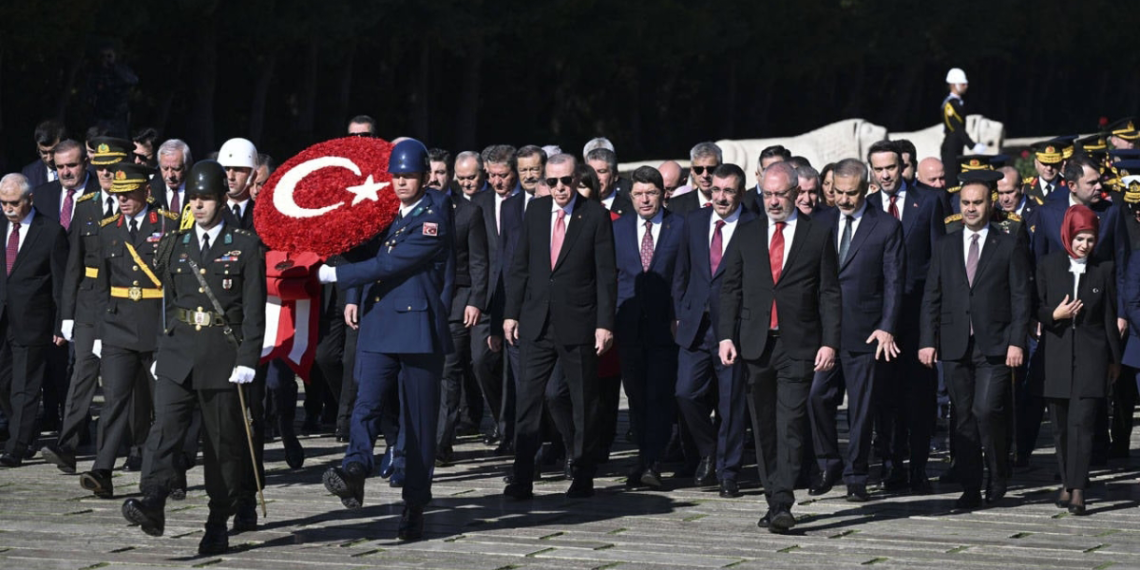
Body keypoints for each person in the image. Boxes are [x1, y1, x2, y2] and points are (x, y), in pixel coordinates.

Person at [121, 160, 266, 554]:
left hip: (222, 354)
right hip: (178, 351)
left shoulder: (245, 245)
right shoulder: (174, 243)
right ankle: (152, 498)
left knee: (222, 444)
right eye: (193, 199)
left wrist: (248, 358)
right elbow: (165, 302)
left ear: (222, 199)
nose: (198, 205)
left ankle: (218, 519)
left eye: (205, 198)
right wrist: (160, 346)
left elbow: (254, 309)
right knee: (164, 428)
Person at [317, 139, 452, 542]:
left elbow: (392, 262)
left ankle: (414, 504)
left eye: (409, 176)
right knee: (366, 400)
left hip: (416, 329)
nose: (401, 183)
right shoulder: (385, 213)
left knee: (418, 421)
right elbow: (364, 248)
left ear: (425, 178)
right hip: (379, 323)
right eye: (396, 176)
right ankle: (355, 467)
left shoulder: (434, 216)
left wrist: (337, 278)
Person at [717, 160, 840, 532]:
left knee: (790, 423)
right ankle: (774, 498)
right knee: (764, 426)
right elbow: (730, 288)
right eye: (767, 194)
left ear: (796, 193)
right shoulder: (747, 233)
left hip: (798, 344)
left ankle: (784, 501)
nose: (773, 201)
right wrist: (726, 335)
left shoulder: (816, 234)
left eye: (780, 194)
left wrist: (830, 343)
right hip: (755, 345)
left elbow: (829, 293)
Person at [502, 153, 617, 500]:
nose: (560, 188)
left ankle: (583, 473)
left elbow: (606, 274)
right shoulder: (535, 212)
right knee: (528, 402)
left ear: (575, 178)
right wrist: (511, 313)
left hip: (579, 323)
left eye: (565, 181)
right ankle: (521, 477)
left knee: (583, 403)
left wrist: (604, 323)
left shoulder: (594, 215)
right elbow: (520, 265)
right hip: (537, 322)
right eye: (552, 182)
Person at [919, 170, 1031, 509]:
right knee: (963, 416)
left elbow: (1021, 296)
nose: (970, 209)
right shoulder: (946, 243)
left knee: (986, 410)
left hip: (995, 344)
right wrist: (927, 339)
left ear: (990, 202)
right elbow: (931, 295)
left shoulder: (1008, 241)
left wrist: (1017, 341)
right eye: (965, 203)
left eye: (977, 203)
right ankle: (970, 486)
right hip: (954, 344)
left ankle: (997, 471)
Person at [77, 163, 178, 497]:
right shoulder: (107, 230)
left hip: (156, 328)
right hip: (118, 329)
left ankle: (166, 470)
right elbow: (99, 287)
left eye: (129, 193)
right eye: (118, 194)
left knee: (164, 406)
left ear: (145, 192)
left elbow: (175, 286)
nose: (122, 199)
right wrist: (96, 330)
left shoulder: (167, 226)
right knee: (113, 403)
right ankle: (102, 470)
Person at [807, 159, 904, 502]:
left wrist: (886, 327)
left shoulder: (886, 226)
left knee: (861, 410)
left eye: (851, 193)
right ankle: (828, 462)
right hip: (825, 333)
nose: (843, 200)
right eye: (837, 192)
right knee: (817, 397)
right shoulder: (820, 221)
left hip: (866, 332)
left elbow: (894, 282)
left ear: (867, 189)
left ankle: (857, 475)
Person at [41, 138, 130, 474]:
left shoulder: (138, 204)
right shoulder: (88, 206)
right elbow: (74, 265)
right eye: (101, 168)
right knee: (82, 376)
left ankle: (131, 446)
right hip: (91, 302)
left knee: (124, 382)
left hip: (126, 304)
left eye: (112, 167)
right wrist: (67, 314)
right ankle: (68, 446)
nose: (105, 173)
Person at [864, 140, 946, 493]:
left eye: (891, 168)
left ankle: (918, 467)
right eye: (878, 169)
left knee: (919, 396)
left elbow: (939, 262)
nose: (885, 175)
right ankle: (890, 464)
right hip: (878, 319)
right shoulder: (866, 207)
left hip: (917, 315)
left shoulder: (927, 201)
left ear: (902, 167)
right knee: (884, 395)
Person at [673, 164, 756, 497]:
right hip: (694, 326)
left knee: (731, 405)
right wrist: (677, 313)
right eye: (716, 190)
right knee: (685, 393)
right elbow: (682, 271)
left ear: (741, 191)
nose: (721, 197)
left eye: (729, 191)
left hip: (733, 330)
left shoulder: (754, 225)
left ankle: (729, 471)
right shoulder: (693, 221)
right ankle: (709, 451)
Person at [1036, 205, 1121, 515]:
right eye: (1080, 238)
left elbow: (1110, 316)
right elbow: (1038, 307)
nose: (1085, 245)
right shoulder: (1048, 265)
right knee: (1059, 426)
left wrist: (1114, 359)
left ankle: (1078, 489)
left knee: (1082, 423)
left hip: (1091, 355)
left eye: (1090, 239)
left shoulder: (1104, 269)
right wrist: (1054, 315)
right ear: (1067, 236)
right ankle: (1068, 482)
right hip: (1057, 354)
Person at [614, 167, 685, 489]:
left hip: (665, 327)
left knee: (659, 395)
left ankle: (652, 463)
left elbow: (686, 275)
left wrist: (679, 316)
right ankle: (643, 457)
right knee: (636, 397)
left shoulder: (679, 227)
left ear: (663, 193)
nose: (645, 199)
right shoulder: (618, 228)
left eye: (651, 193)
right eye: (639, 194)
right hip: (628, 327)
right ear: (630, 196)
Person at [0, 173, 68, 467]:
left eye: (14, 203)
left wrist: (61, 324)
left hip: (33, 321)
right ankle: (23, 433)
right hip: (3, 320)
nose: (8, 208)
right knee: (4, 383)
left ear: (30, 199)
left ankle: (16, 447)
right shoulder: (1, 225)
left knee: (26, 386)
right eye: (3, 203)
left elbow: (60, 282)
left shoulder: (50, 231)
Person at [437, 163, 489, 464]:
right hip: (420, 304)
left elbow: (479, 261)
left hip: (457, 302)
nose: (434, 178)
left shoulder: (468, 212)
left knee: (448, 372)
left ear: (450, 176)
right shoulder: (412, 210)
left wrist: (475, 300)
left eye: (440, 172)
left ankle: (441, 443)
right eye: (428, 172)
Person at [940, 68, 987, 184]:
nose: (966, 85)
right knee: (951, 181)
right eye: (963, 83)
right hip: (951, 146)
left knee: (957, 177)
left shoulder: (958, 102)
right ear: (954, 84)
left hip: (957, 145)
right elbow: (956, 128)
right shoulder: (950, 104)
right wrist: (972, 145)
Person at [668, 142, 722, 216]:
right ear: (692, 171)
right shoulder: (676, 206)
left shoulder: (738, 202)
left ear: (721, 169)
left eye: (711, 169)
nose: (705, 175)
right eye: (699, 170)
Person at [218, 138, 258, 231]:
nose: (230, 176)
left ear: (253, 175)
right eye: (226, 169)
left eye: (238, 169)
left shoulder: (263, 213)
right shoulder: (211, 210)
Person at [150, 139, 192, 224]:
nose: (170, 175)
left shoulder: (196, 187)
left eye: (176, 169)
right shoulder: (151, 190)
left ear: (187, 166)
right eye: (165, 168)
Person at [586, 147, 633, 216]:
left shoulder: (630, 210)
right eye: (591, 171)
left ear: (615, 175)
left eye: (601, 171)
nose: (595, 177)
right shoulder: (577, 208)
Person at [21, 120, 66, 189]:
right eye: (44, 152)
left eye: (54, 152)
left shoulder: (81, 169)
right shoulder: (29, 173)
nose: (49, 158)